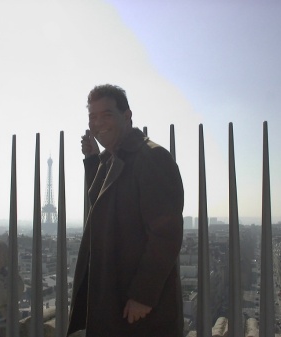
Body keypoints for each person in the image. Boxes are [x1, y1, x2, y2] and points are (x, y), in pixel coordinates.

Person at [67, 84, 184, 337]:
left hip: (135, 304)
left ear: (127, 116)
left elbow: (166, 235)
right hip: (117, 295)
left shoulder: (152, 157)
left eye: (106, 114)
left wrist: (143, 295)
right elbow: (105, 204)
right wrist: (92, 161)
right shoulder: (113, 158)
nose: (98, 123)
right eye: (92, 116)